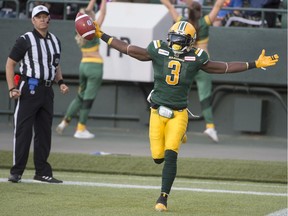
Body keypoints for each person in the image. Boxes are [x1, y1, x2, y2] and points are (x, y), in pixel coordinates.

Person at [92, 20, 278, 211]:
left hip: (178, 114)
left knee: (171, 155)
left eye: (181, 40)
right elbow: (128, 49)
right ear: (169, 37)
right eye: (174, 39)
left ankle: (162, 198)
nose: (176, 43)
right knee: (157, 157)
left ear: (190, 42)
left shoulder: (197, 57)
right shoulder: (157, 49)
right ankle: (178, 139)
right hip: (157, 111)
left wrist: (254, 63)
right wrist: (101, 35)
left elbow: (224, 67)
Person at [5, 5, 69, 183]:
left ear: (49, 19)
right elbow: (10, 64)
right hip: (29, 87)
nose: (42, 19)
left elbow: (55, 65)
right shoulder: (25, 40)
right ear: (33, 20)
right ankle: (16, 171)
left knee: (43, 132)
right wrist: (12, 88)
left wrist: (61, 82)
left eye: (45, 16)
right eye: (38, 17)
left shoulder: (55, 41)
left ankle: (42, 171)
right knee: (23, 130)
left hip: (47, 90)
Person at [161, 0, 226, 142]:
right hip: (202, 64)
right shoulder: (205, 22)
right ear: (200, 12)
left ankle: (173, 126)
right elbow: (217, 5)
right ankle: (210, 126)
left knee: (178, 95)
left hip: (186, 65)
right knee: (204, 97)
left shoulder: (182, 22)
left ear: (188, 12)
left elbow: (169, 6)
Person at [56, 0, 106, 139]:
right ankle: (80, 128)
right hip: (95, 66)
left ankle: (64, 122)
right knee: (88, 99)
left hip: (83, 65)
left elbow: (85, 14)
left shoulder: (79, 29)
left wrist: (92, 2)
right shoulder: (94, 28)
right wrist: (104, 2)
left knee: (80, 96)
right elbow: (103, 13)